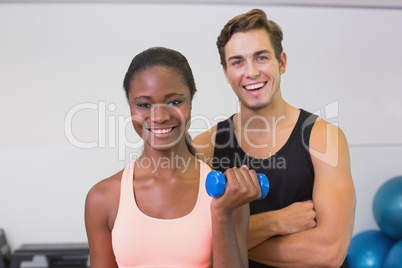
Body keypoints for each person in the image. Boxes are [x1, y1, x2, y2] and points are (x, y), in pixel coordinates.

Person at [193, 9, 356, 268]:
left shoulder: (324, 138)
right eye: (237, 62)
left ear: (282, 62)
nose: (251, 72)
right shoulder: (205, 146)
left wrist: (225, 240)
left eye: (261, 57)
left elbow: (328, 252)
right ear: (226, 73)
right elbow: (191, 243)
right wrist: (277, 221)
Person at [84, 46, 263, 268]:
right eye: (143, 105)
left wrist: (221, 213)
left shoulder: (227, 196)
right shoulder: (102, 198)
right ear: (129, 105)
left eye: (174, 102)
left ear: (191, 101)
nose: (159, 117)